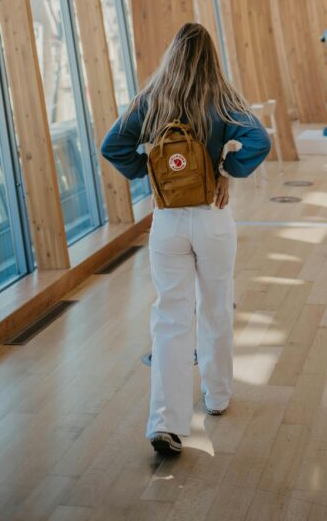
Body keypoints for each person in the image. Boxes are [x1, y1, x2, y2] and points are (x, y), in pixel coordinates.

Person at [101, 23, 271, 457]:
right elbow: (259, 140)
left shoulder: (151, 99)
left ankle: (166, 422)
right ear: (211, 57)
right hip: (213, 217)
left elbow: (112, 146)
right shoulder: (222, 98)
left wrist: (152, 174)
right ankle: (217, 397)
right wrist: (227, 171)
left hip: (168, 222)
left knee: (170, 318)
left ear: (172, 55)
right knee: (216, 306)